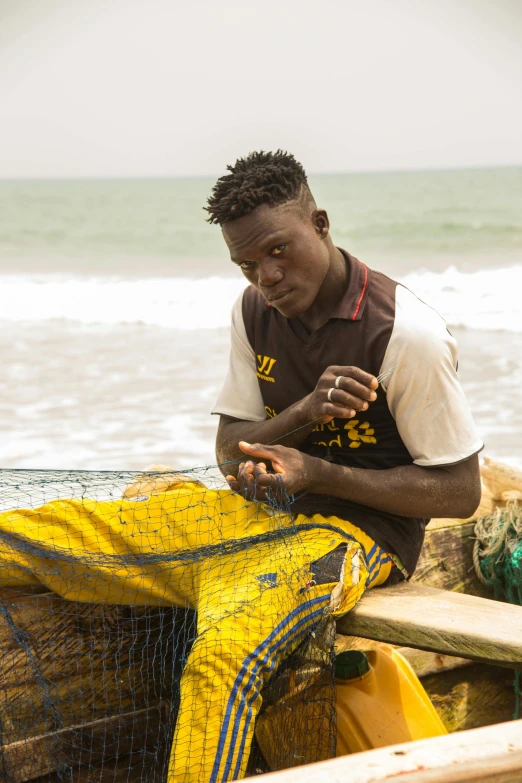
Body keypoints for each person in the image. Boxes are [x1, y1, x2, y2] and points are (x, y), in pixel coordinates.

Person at [0, 150, 482, 783]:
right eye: (247, 264)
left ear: (321, 223)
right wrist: (305, 413)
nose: (267, 276)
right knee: (40, 532)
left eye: (278, 251)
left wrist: (316, 474)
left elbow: (460, 491)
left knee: (224, 656)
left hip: (354, 540)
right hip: (259, 514)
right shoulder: (253, 311)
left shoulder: (403, 333)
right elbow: (230, 453)